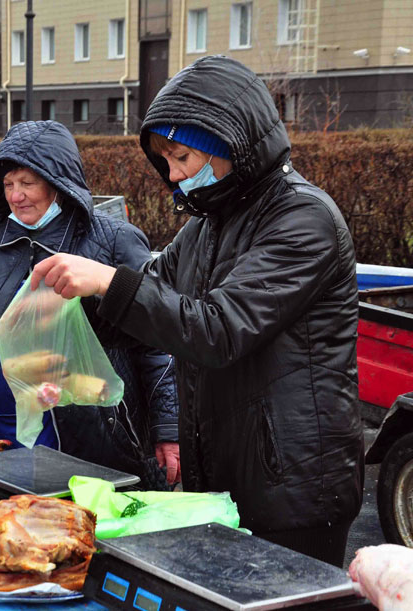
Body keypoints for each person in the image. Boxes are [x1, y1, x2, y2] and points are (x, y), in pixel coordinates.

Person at [30, 55, 363, 565]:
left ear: (231, 141)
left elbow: (218, 329)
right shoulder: (207, 225)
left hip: (294, 490)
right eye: (165, 161)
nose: (175, 175)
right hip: (224, 476)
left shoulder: (304, 219)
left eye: (182, 156)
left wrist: (108, 280)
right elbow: (151, 309)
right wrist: (72, 330)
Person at [0, 120, 180, 489]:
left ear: (58, 182)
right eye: (8, 185)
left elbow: (156, 341)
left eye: (27, 183)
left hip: (91, 443)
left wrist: (168, 427)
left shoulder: (114, 242)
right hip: (1, 434)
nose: (16, 196)